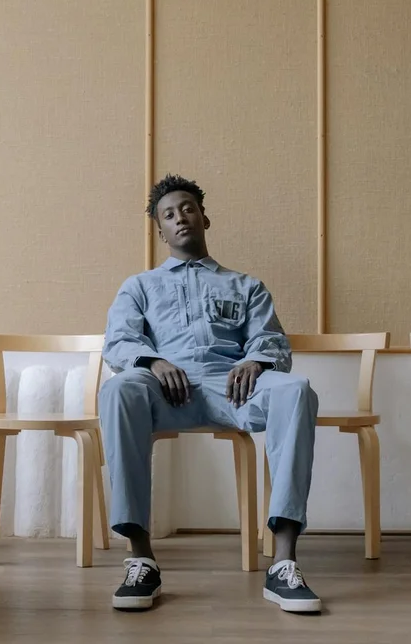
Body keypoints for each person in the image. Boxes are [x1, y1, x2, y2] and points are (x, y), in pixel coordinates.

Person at [98, 174, 321, 613]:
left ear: (205, 218)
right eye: (168, 215)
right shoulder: (139, 286)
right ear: (160, 232)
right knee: (119, 389)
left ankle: (283, 563)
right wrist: (153, 362)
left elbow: (271, 340)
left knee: (296, 390)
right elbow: (119, 341)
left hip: (233, 386)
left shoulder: (246, 285)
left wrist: (256, 362)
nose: (180, 217)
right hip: (167, 387)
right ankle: (141, 558)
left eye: (188, 209)